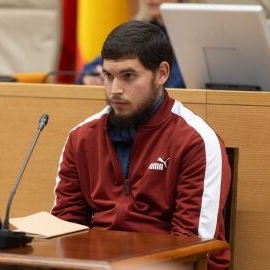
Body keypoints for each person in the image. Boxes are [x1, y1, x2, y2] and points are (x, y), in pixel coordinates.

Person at [51, 20, 231, 270]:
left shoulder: (195, 141)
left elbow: (193, 247)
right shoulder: (82, 137)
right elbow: (64, 228)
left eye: (128, 76)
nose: (114, 90)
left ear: (162, 74)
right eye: (108, 76)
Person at [77, 0, 185, 88]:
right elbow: (93, 66)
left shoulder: (193, 32)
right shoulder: (140, 29)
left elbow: (180, 81)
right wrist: (90, 76)